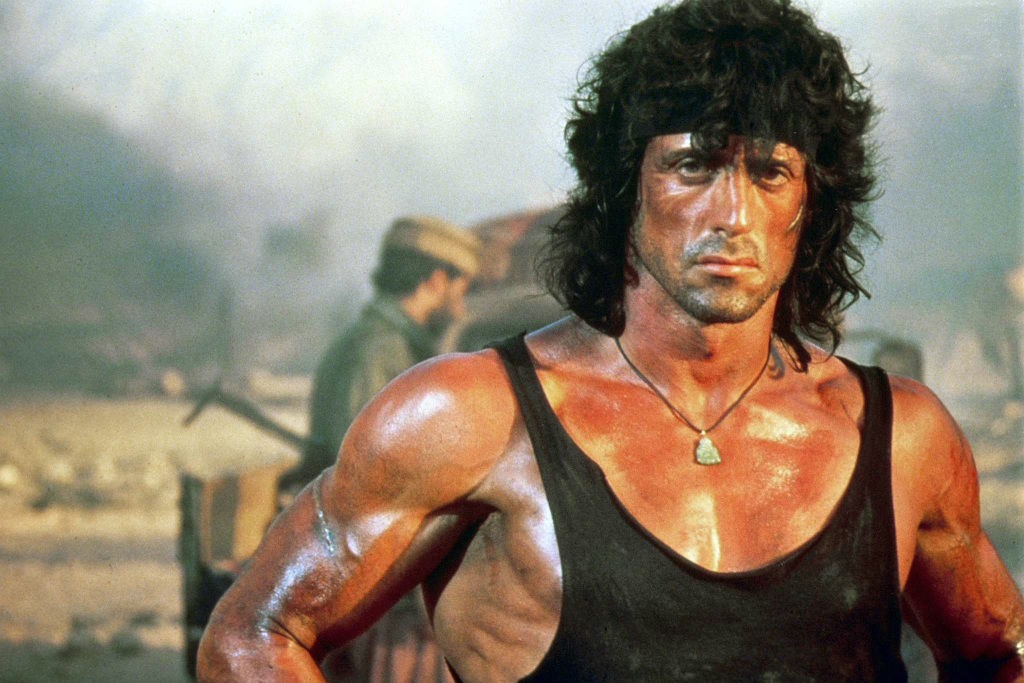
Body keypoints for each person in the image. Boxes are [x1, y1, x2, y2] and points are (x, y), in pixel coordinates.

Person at [198, 1, 1024, 680]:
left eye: (769, 172)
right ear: (624, 189)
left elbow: (998, 654)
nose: (732, 214)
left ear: (811, 203)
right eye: (693, 166)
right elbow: (251, 637)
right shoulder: (471, 418)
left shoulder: (903, 437)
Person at [280, 214, 482, 682]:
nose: (461, 306)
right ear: (436, 280)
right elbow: (372, 488)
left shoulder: (377, 345)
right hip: (379, 588)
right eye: (461, 289)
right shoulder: (382, 354)